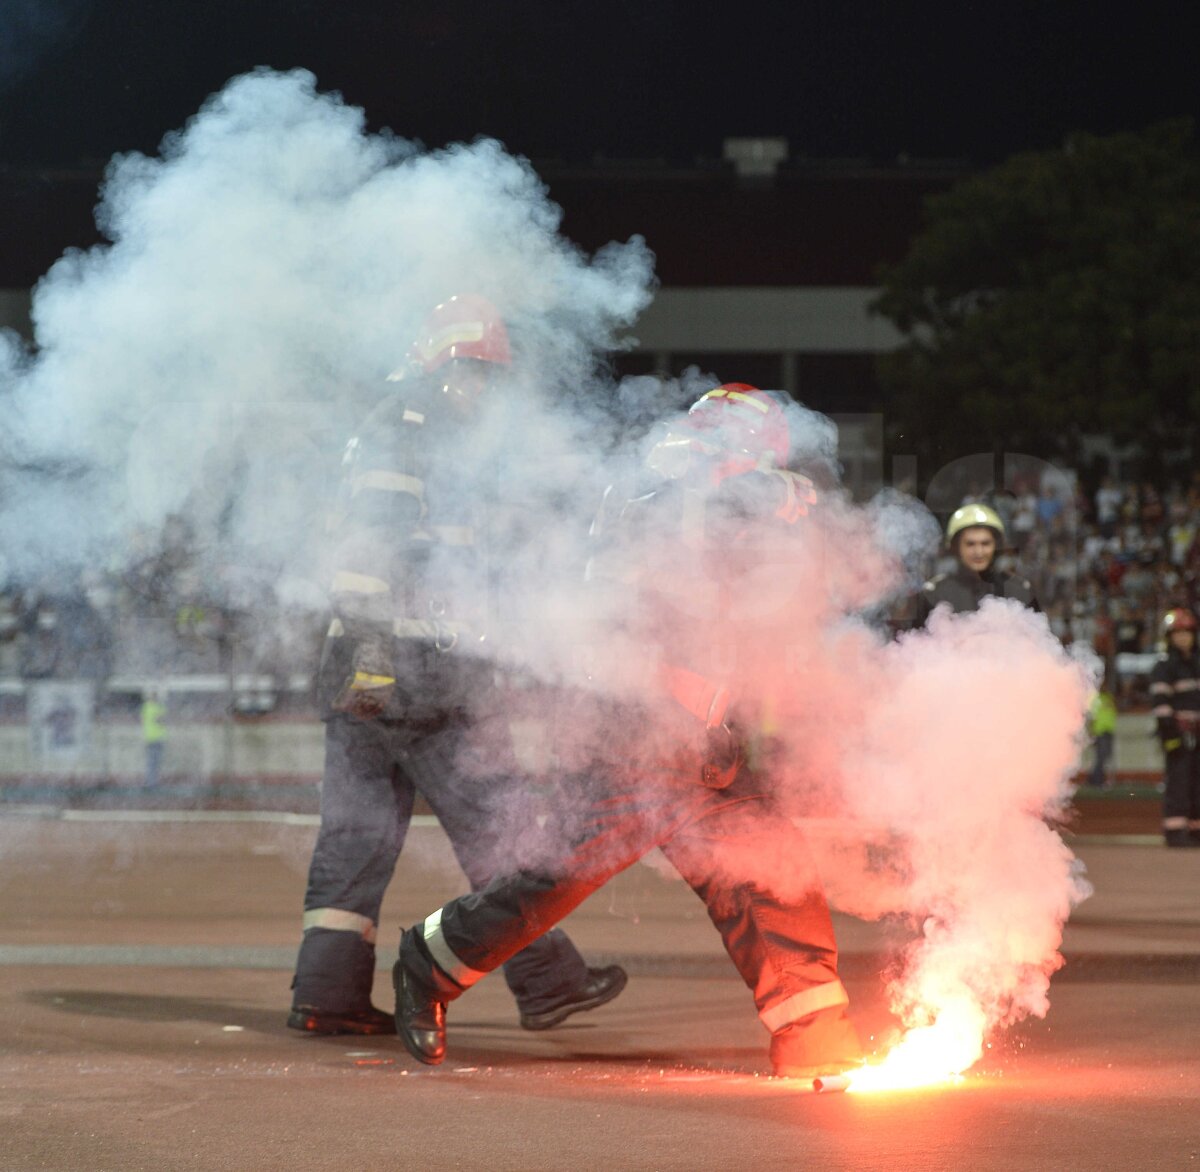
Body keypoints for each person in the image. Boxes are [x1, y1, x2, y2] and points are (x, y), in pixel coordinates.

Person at [392, 383, 863, 1079]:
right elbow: (650, 586)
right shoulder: (659, 495)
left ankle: (814, 1036)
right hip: (634, 728)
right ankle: (428, 962)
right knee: (559, 877)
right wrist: (764, 496)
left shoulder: (714, 506)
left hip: (704, 735)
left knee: (771, 874)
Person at [289, 295, 626, 1036]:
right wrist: (378, 654)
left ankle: (327, 996)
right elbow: (371, 551)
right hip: (411, 677)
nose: (482, 392)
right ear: (442, 370)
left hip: (376, 673)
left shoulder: (408, 431)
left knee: (356, 839)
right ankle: (546, 981)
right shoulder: (410, 434)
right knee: (498, 829)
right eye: (474, 373)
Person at [907, 503, 1039, 627]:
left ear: (997, 546)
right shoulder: (935, 593)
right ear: (955, 547)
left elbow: (1040, 643)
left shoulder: (1018, 590)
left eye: (985, 543)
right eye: (970, 544)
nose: (978, 552)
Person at [1149, 608, 1200, 847]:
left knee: (1197, 782)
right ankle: (1175, 832)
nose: (1183, 638)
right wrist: (1171, 734)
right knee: (1178, 780)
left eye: (1187, 633)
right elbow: (1161, 705)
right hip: (1178, 733)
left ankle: (1195, 829)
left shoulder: (1196, 663)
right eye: (1177, 634)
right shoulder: (1165, 666)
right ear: (1169, 637)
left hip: (1198, 735)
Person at [1085, 677, 1117, 789]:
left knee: (1104, 756)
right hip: (1100, 731)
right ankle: (1096, 779)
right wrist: (1091, 732)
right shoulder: (1096, 699)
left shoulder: (1108, 697)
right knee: (1101, 756)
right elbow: (1091, 717)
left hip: (1108, 730)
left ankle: (1096, 778)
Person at [141, 688, 167, 787]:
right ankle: (152, 782)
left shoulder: (147, 707)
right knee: (154, 761)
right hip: (155, 738)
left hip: (152, 738)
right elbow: (161, 719)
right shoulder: (155, 707)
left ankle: (152, 781)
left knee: (152, 761)